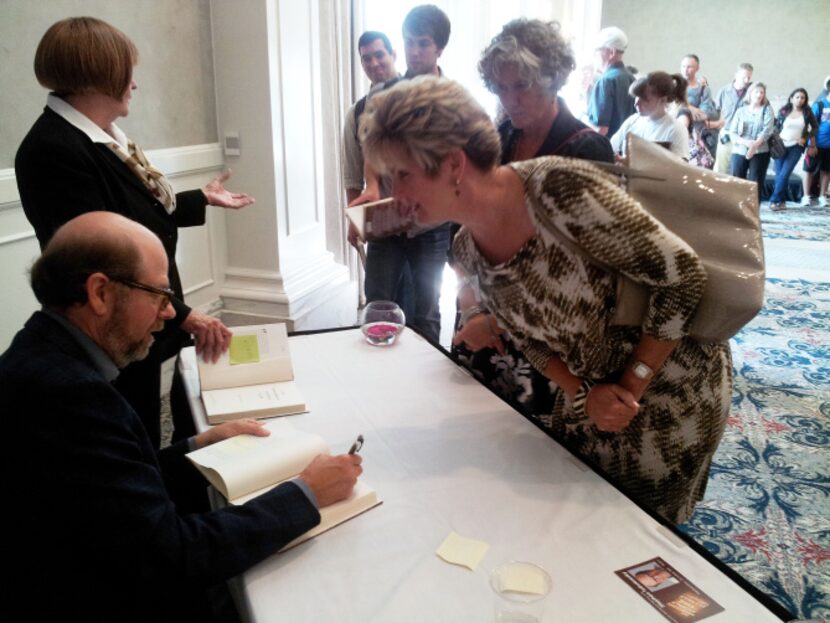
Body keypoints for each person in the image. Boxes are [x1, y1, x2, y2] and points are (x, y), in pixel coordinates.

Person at [360, 76, 731, 524]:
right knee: (584, 534)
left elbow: (684, 278)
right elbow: (529, 342)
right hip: (594, 406)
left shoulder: (556, 189)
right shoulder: (466, 252)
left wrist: (629, 387)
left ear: (453, 164)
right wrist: (588, 397)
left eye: (404, 174)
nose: (395, 194)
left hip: (670, 390)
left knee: (649, 538)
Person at [0, 212, 363, 622]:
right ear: (99, 293)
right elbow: (174, 556)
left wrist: (195, 447)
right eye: (157, 293)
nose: (170, 313)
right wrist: (307, 493)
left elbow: (109, 485)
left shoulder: (43, 354)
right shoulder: (69, 396)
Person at [15, 17, 254, 449]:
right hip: (110, 321)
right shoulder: (53, 149)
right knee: (129, 433)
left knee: (158, 418)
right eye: (127, 71)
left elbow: (132, 217)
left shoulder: (102, 138)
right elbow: (104, 252)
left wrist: (199, 198)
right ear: (98, 72)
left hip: (142, 306)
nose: (134, 85)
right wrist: (184, 315)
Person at [452, 18, 613, 418]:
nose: (511, 99)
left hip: (542, 338)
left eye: (521, 85)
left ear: (552, 78)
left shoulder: (586, 149)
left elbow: (577, 272)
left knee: (528, 447)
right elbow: (469, 230)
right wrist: (473, 311)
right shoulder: (499, 137)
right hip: (481, 316)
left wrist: (494, 323)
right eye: (501, 87)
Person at [349, 4, 453, 343]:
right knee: (378, 308)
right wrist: (374, 184)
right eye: (409, 42)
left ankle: (425, 388)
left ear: (439, 46)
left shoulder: (453, 99)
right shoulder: (384, 94)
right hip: (388, 219)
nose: (414, 51)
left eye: (422, 43)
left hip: (432, 223)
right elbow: (373, 149)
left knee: (426, 312)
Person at [610, 72, 690, 160]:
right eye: (636, 97)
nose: (636, 103)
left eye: (644, 99)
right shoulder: (632, 121)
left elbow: (680, 169)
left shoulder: (676, 129)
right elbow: (612, 147)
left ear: (663, 100)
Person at [768, 88, 819, 211]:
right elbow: (775, 127)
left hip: (796, 147)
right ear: (791, 98)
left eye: (802, 98)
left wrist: (805, 138)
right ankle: (781, 200)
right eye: (797, 97)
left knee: (785, 174)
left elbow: (815, 128)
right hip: (780, 146)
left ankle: (774, 200)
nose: (800, 100)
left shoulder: (807, 112)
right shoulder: (784, 111)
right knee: (780, 175)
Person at [586, 26, 636, 137]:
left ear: (611, 52)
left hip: (605, 148)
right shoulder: (631, 78)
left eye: (597, 50)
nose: (594, 55)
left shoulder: (605, 81)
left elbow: (601, 130)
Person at [728, 82, 774, 200]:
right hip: (739, 150)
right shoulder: (741, 111)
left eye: (762, 92)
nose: (759, 95)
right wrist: (746, 143)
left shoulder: (767, 110)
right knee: (737, 181)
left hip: (760, 152)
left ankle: (752, 213)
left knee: (755, 183)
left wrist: (754, 146)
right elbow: (732, 133)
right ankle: (737, 211)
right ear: (750, 93)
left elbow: (767, 131)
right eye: (756, 92)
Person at [711, 63, 754, 174]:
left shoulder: (753, 92)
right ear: (736, 75)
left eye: (749, 77)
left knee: (739, 169)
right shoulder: (724, 91)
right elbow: (717, 111)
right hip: (727, 134)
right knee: (721, 167)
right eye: (743, 76)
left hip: (743, 136)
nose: (746, 80)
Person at [803, 77, 830, 207]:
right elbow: (810, 126)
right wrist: (811, 144)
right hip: (817, 145)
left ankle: (822, 196)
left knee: (826, 171)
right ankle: (806, 196)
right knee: (809, 170)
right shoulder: (820, 104)